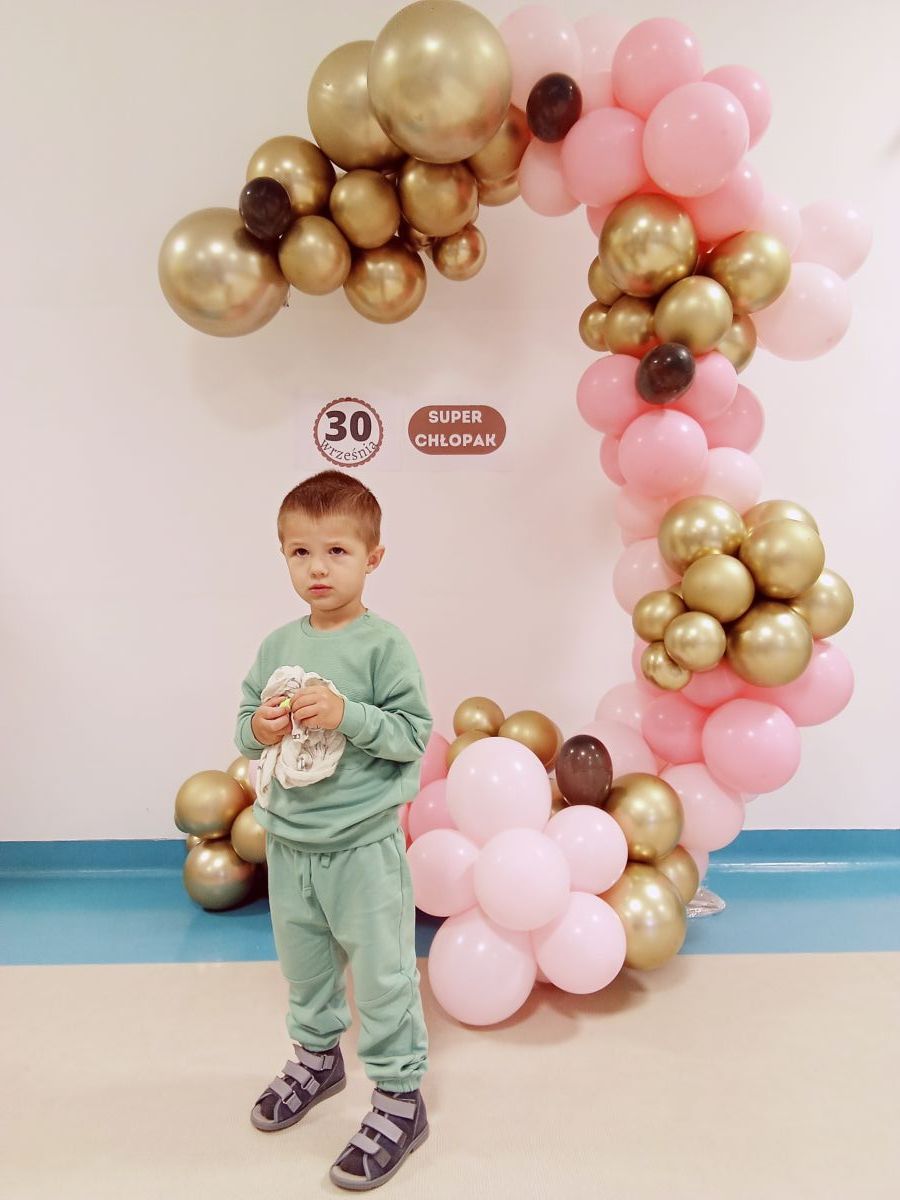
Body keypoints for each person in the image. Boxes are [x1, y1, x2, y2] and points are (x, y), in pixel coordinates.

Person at [234, 470, 432, 1191]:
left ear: (372, 558)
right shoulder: (276, 645)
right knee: (306, 970)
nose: (318, 568)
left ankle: (401, 1097)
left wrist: (348, 715)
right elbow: (245, 726)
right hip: (291, 845)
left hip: (362, 849)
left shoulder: (384, 646)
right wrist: (260, 727)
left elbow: (413, 734)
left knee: (382, 977)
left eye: (337, 551)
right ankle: (318, 1060)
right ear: (284, 556)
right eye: (301, 552)